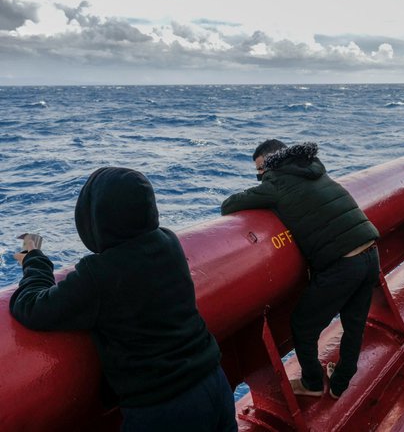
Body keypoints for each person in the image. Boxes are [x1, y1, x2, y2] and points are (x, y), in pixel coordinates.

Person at [10, 167, 237, 432]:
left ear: (96, 217)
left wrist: (34, 257)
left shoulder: (99, 274)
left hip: (164, 408)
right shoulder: (168, 242)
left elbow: (33, 308)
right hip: (213, 381)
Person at [221, 140, 380, 400]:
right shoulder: (316, 170)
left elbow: (229, 205)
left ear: (272, 162)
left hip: (342, 264)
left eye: (260, 168)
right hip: (370, 252)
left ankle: (312, 383)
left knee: (303, 326)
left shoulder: (275, 184)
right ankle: (339, 385)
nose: (260, 175)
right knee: (354, 325)